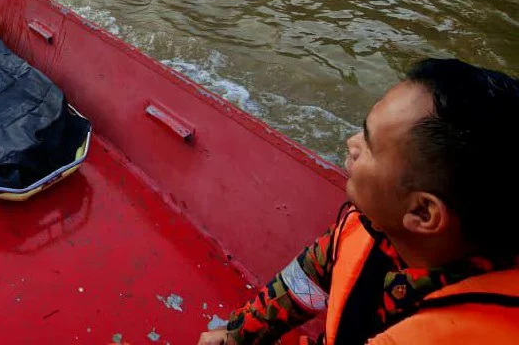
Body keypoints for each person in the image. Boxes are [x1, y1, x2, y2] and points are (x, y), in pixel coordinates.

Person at [199, 58, 519, 345]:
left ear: (423, 212)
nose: (350, 143)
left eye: (368, 144)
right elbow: (309, 278)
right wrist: (237, 335)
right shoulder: (370, 224)